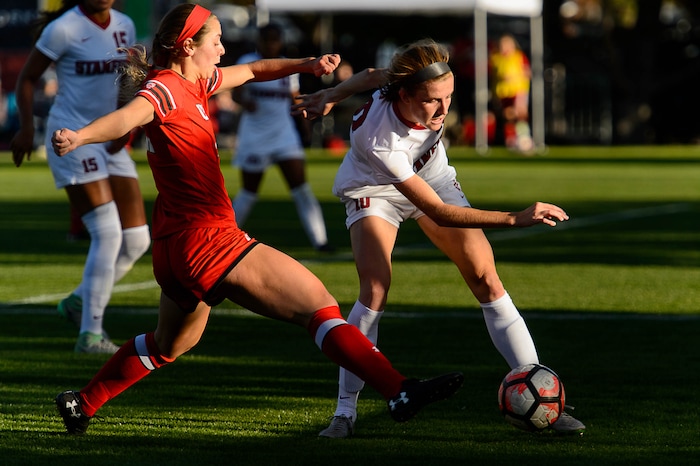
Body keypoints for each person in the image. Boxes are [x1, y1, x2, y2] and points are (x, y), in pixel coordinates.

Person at [50, 4, 464, 436]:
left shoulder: (194, 81)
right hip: (207, 241)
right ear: (189, 45)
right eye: (216, 41)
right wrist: (80, 136)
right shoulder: (166, 88)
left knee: (171, 343)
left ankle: (84, 401)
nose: (223, 49)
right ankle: (398, 390)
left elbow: (252, 71)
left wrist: (307, 64)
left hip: (174, 248)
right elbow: (129, 117)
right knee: (318, 306)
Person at [292, 39, 586, 438]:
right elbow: (439, 213)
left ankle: (542, 394)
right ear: (405, 95)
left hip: (431, 179)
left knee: (485, 276)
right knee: (375, 291)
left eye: (448, 96)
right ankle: (345, 413)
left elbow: (373, 75)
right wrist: (515, 218)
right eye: (433, 100)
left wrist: (332, 92)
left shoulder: (403, 84)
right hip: (375, 189)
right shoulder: (382, 139)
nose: (444, 108)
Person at [10, 0, 151, 354]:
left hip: (108, 137)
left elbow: (129, 79)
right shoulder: (64, 28)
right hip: (70, 138)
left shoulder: (125, 25)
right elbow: (27, 78)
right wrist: (26, 128)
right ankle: (90, 335)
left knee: (136, 240)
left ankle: (77, 303)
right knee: (107, 233)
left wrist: (125, 125)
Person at [231, 23, 332, 252]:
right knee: (248, 192)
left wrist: (304, 125)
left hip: (284, 135)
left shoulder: (287, 66)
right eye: (267, 39)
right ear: (259, 41)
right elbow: (236, 93)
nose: (271, 44)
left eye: (275, 39)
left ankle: (321, 241)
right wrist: (244, 101)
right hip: (255, 136)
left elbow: (294, 99)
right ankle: (223, 238)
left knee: (302, 188)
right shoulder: (247, 61)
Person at [489, 34, 533, 152]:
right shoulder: (495, 58)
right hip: (503, 92)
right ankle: (512, 140)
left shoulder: (518, 57)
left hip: (518, 90)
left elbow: (527, 72)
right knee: (508, 116)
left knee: (519, 113)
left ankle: (524, 138)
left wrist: (515, 76)